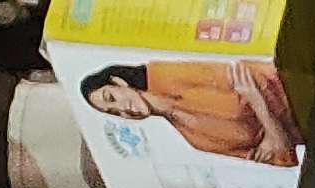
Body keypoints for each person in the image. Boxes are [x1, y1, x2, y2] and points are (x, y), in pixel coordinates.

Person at [81, 58, 296, 168]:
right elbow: (283, 156)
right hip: (309, 133)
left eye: (112, 98)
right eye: (114, 113)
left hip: (299, 84)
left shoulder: (168, 73)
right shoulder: (195, 140)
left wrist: (271, 131)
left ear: (119, 82)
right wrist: (263, 111)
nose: (123, 109)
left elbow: (256, 75)